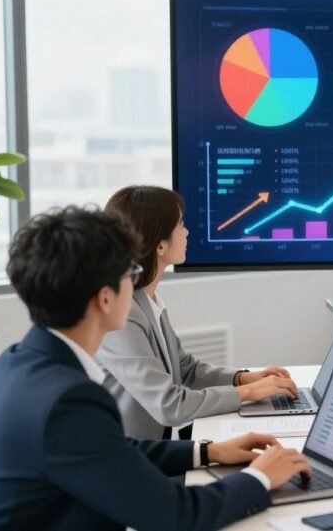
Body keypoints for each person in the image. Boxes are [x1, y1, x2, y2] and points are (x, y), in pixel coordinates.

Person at [0, 206, 311, 531]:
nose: (136, 283)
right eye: (131, 272)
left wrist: (205, 451)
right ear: (105, 298)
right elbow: (175, 515)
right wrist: (260, 479)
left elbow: (109, 449)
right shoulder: (67, 399)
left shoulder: (16, 362)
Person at [98, 186, 297, 440]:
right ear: (160, 246)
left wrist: (244, 378)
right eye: (181, 225)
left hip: (155, 451)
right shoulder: (121, 315)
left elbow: (186, 369)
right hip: (130, 462)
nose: (187, 232)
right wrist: (250, 393)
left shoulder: (146, 300)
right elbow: (170, 405)